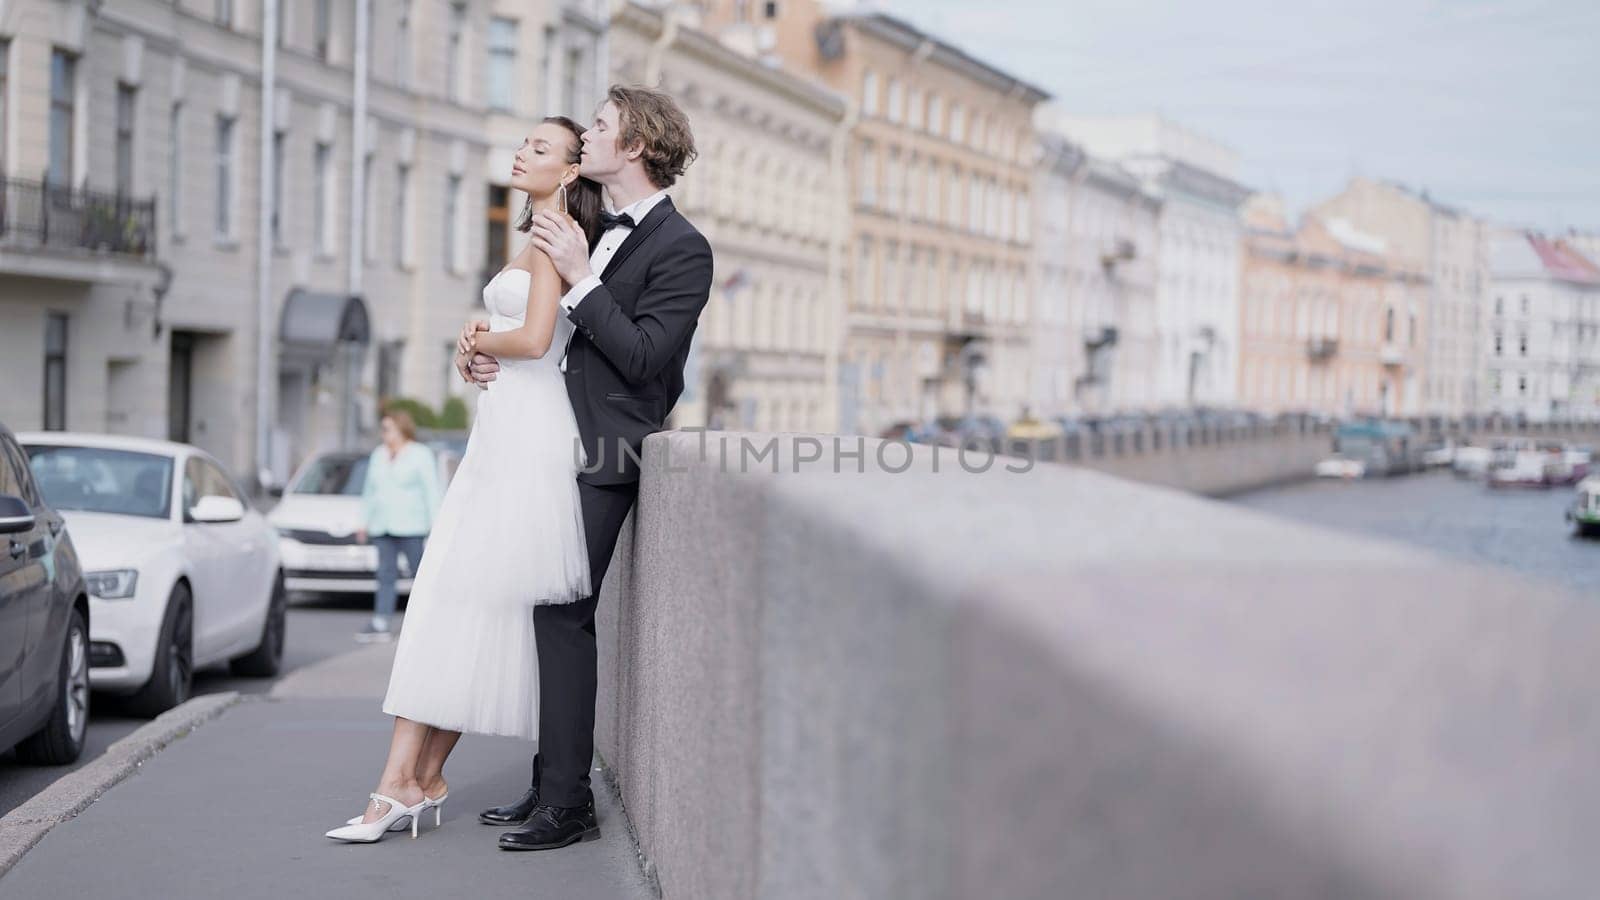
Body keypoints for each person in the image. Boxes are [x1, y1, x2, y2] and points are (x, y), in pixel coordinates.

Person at [325, 116, 604, 843]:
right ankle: (415, 781)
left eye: (540, 149)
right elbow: (521, 339)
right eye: (524, 143)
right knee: (465, 604)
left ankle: (404, 784)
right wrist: (471, 348)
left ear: (571, 172)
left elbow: (538, 337)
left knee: (462, 597)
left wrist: (478, 338)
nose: (521, 153)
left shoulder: (552, 235)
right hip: (504, 426)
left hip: (529, 437)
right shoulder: (536, 233)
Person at [466, 84, 712, 852]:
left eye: (601, 127)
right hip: (547, 440)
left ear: (635, 146)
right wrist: (485, 353)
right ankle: (551, 785)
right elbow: (546, 334)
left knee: (563, 613)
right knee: (545, 609)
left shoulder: (683, 248)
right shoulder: (593, 224)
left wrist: (583, 277)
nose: (589, 136)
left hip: (607, 453)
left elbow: (644, 359)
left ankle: (569, 804)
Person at [353, 410, 440, 643]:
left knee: (419, 574)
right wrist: (363, 522)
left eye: (387, 428)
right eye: (383, 429)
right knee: (385, 575)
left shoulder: (420, 455)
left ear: (402, 429)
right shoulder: (378, 455)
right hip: (383, 526)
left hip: (411, 526)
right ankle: (381, 622)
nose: (383, 434)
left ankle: (430, 620)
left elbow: (431, 491)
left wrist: (437, 525)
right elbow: (370, 492)